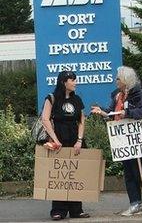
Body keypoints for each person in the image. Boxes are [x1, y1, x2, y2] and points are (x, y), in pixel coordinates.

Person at [90, 66, 142, 217]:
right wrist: (103, 112)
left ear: (125, 80)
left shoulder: (138, 94)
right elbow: (113, 114)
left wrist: (129, 113)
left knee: (141, 172)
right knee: (129, 173)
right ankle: (135, 204)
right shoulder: (118, 95)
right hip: (123, 141)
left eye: (118, 78)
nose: (115, 80)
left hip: (136, 139)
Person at [41, 70, 90, 220]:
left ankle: (77, 209)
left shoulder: (77, 100)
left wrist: (79, 140)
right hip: (59, 139)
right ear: (64, 82)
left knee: (75, 175)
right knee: (59, 175)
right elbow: (45, 119)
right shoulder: (52, 98)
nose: (75, 83)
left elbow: (82, 121)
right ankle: (58, 210)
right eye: (72, 80)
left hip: (74, 140)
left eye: (75, 80)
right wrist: (55, 140)